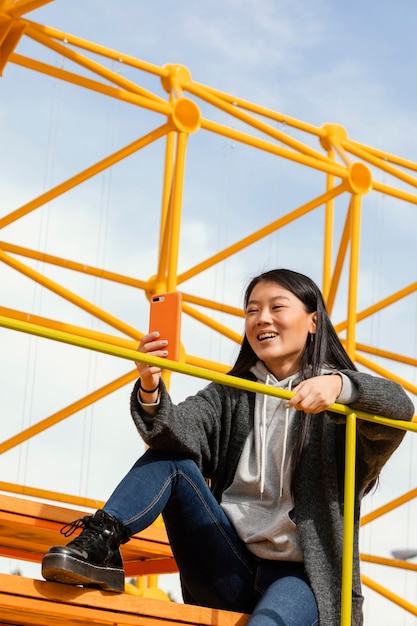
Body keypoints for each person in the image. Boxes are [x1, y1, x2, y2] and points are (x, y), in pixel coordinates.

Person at [42, 269, 414, 625]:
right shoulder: (230, 393)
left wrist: (339, 386)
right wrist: (149, 385)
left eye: (277, 307)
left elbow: (399, 406)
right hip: (226, 565)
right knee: (171, 459)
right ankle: (101, 543)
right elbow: (175, 431)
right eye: (252, 310)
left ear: (313, 322)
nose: (262, 318)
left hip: (301, 579)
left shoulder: (341, 408)